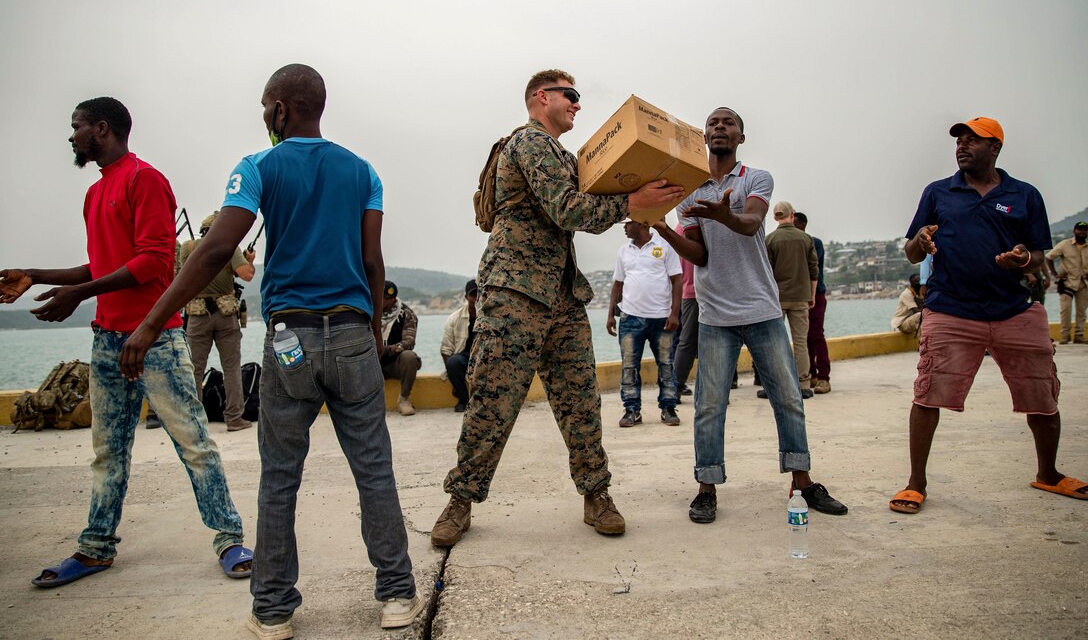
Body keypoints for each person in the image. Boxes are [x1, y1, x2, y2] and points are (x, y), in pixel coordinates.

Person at [116, 65, 423, 634]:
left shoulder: (257, 167)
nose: (265, 118)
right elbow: (373, 263)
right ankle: (397, 596)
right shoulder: (364, 172)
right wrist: (375, 329)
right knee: (374, 471)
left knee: (280, 476)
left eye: (266, 108)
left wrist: (153, 322)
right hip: (354, 333)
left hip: (289, 341)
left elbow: (213, 252)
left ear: (281, 109)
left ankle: (274, 609)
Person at [0, 97, 252, 589]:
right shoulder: (95, 195)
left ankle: (229, 539)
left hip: (156, 339)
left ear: (102, 128)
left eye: (76, 127)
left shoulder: (145, 180)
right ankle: (95, 548)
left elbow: (154, 264)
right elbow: (100, 266)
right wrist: (35, 275)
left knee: (195, 445)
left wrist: (83, 294)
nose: (71, 136)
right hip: (107, 341)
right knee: (107, 451)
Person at [430, 69, 685, 547]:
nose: (577, 104)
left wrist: (641, 193)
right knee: (492, 404)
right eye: (571, 96)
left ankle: (597, 495)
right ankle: (459, 501)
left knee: (580, 402)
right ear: (540, 97)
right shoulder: (528, 144)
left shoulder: (563, 154)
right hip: (515, 295)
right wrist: (632, 203)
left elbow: (589, 202)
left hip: (563, 298)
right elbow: (567, 209)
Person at [653, 107, 848, 524]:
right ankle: (707, 488)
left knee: (788, 399)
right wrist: (665, 229)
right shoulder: (688, 191)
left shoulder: (756, 178)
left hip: (761, 308)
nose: (719, 128)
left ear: (741, 136)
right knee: (708, 405)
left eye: (728, 123)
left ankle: (803, 482)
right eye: (713, 124)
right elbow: (699, 254)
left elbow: (752, 222)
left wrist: (727, 215)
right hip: (714, 313)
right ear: (703, 136)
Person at [889, 116, 1086, 515]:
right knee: (927, 395)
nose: (962, 146)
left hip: (1014, 309)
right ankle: (915, 483)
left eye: (972, 141)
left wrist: (1020, 260)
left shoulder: (1024, 195)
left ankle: (1048, 473)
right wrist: (921, 240)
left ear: (995, 148)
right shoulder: (939, 192)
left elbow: (1036, 254)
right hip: (950, 309)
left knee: (1042, 395)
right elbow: (910, 251)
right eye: (959, 141)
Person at [178, 211, 256, 431]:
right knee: (231, 368)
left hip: (197, 316)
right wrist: (248, 261)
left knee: (194, 369)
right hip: (225, 316)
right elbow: (247, 275)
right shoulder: (228, 246)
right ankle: (234, 418)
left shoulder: (188, 247)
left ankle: (193, 422)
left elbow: (184, 274)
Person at [606, 220, 682, 427]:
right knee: (629, 366)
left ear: (641, 224)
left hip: (662, 318)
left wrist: (675, 314)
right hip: (630, 318)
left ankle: (668, 408)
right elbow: (618, 283)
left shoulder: (664, 246)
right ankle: (631, 410)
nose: (623, 227)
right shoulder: (624, 251)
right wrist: (611, 313)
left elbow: (677, 280)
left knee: (666, 364)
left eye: (627, 224)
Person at [761, 201, 817, 400]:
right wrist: (811, 295)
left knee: (773, 344)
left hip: (777, 299)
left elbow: (766, 272)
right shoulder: (806, 239)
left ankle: (773, 386)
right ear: (792, 215)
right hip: (801, 297)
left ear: (776, 217)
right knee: (800, 342)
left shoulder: (770, 240)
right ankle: (803, 384)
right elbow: (813, 269)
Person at [794, 212, 831, 394]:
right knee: (804, 337)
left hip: (816, 294)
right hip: (799, 295)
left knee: (816, 334)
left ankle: (824, 377)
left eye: (795, 224)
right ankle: (811, 373)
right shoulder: (796, 242)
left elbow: (811, 268)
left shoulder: (814, 243)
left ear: (803, 224)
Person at [380, 280, 422, 416]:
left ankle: (404, 399)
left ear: (392, 299)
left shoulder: (406, 314)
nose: (380, 301)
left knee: (410, 357)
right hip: (372, 360)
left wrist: (388, 349)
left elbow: (409, 341)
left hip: (393, 361)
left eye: (384, 299)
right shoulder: (368, 312)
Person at [1045, 220, 1087, 344]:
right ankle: (1065, 336)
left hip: (1084, 283)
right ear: (1074, 231)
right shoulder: (1065, 244)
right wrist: (1055, 275)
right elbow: (1049, 257)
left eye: (1084, 229)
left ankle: (1079, 336)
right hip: (1067, 283)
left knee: (1081, 311)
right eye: (1080, 229)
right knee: (1065, 310)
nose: (1082, 231)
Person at [441, 280, 479, 413]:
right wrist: (454, 380)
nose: (476, 299)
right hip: (464, 356)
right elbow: (446, 350)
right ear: (466, 297)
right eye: (473, 295)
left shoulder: (492, 316)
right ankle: (464, 400)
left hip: (485, 355)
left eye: (479, 294)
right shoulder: (454, 318)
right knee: (453, 362)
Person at [672, 257, 702, 398]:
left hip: (691, 291)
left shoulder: (676, 235)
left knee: (687, 341)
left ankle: (676, 387)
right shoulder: (685, 234)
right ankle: (675, 388)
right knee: (688, 341)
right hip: (694, 292)